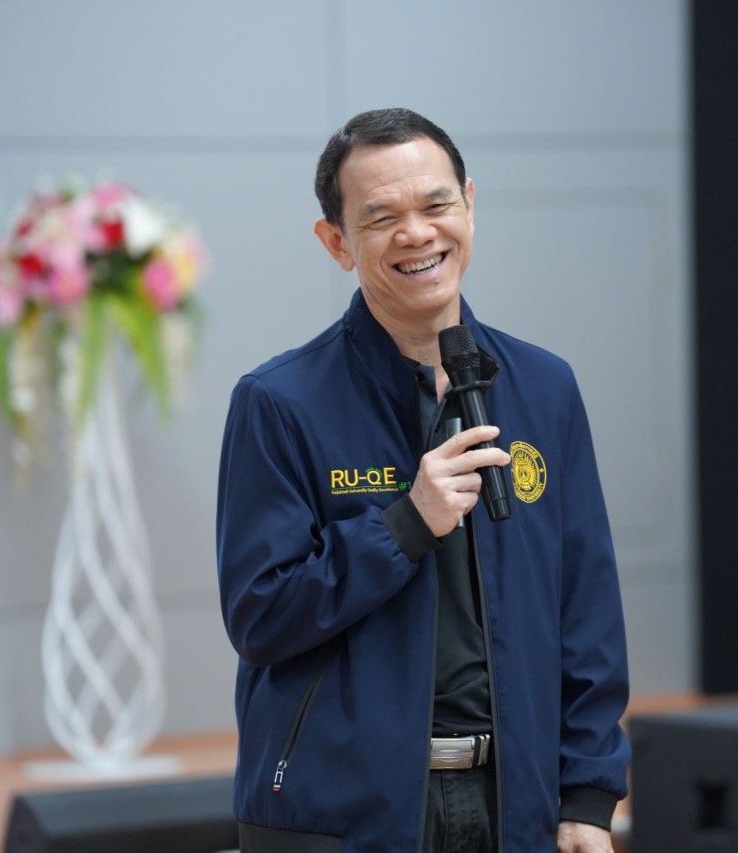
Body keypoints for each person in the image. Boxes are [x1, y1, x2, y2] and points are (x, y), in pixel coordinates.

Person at [216, 108, 630, 853]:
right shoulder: (279, 402)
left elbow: (586, 610)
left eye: (436, 204)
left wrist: (588, 796)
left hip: (516, 807)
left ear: (469, 204)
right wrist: (405, 525)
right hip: (345, 818)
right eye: (382, 218)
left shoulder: (544, 387)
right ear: (337, 242)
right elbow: (261, 615)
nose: (417, 234)